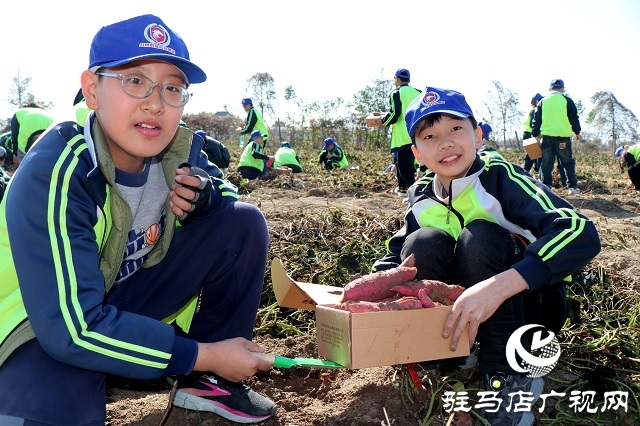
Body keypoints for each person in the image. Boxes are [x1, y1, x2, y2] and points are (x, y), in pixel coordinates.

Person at [0, 14, 278, 425]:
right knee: (52, 407)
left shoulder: (180, 149)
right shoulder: (59, 170)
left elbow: (227, 199)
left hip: (122, 303)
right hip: (40, 326)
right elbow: (70, 328)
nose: (155, 102)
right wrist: (204, 354)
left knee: (242, 221)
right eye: (134, 81)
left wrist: (205, 197)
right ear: (92, 90)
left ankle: (207, 383)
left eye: (172, 88)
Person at [371, 87, 601, 426]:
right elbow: (395, 258)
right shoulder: (421, 195)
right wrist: (370, 293)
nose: (445, 143)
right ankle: (444, 362)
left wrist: (500, 285)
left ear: (478, 136)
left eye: (456, 129)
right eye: (430, 135)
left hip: (530, 307)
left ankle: (510, 374)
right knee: (423, 242)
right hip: (461, 318)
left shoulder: (500, 177)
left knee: (480, 235)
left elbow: (580, 231)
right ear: (417, 153)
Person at [531, 79, 583, 194]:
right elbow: (574, 118)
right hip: (563, 137)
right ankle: (572, 187)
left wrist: (534, 135)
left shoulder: (543, 102)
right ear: (562, 89)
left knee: (546, 163)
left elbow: (536, 120)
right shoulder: (567, 100)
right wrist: (577, 132)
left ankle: (546, 187)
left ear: (550, 89)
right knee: (567, 162)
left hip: (547, 137)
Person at [381, 69, 421, 196]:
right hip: (417, 134)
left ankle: (413, 193)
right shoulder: (418, 92)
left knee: (403, 166)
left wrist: (383, 122)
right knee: (405, 164)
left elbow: (395, 113)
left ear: (397, 79)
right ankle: (403, 189)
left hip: (403, 136)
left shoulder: (396, 93)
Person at [522, 93, 543, 173]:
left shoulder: (531, 110)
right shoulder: (535, 110)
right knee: (531, 156)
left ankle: (533, 171)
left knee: (533, 156)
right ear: (537, 101)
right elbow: (533, 124)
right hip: (531, 135)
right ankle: (524, 173)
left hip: (527, 134)